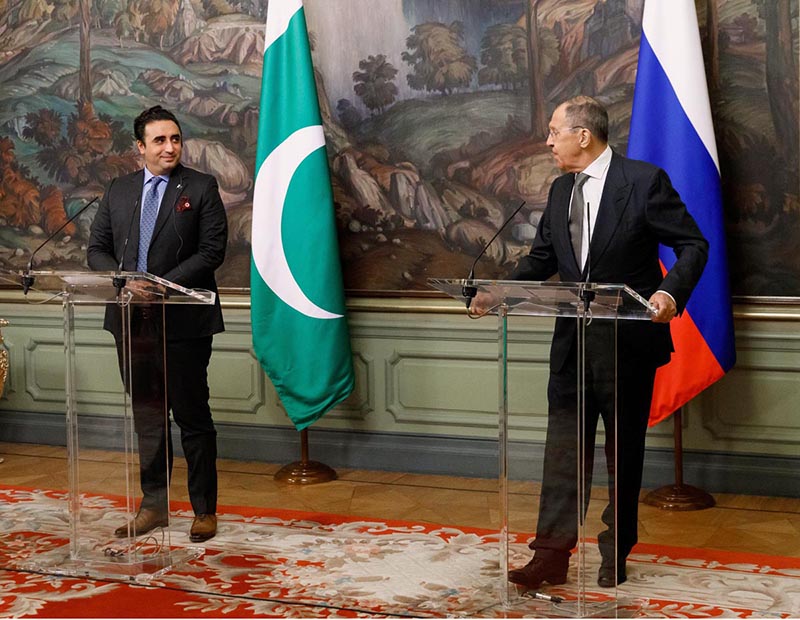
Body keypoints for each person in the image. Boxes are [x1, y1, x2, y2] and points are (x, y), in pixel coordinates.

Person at [472, 96, 708, 588]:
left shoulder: (643, 182)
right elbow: (541, 261)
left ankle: (614, 553)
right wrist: (498, 293)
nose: (548, 140)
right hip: (571, 349)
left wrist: (668, 293)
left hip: (626, 348)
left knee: (623, 454)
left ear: (583, 135)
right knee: (562, 453)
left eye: (554, 131)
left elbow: (693, 245)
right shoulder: (560, 191)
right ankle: (551, 556)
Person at [87, 105, 228, 543]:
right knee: (148, 417)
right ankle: (154, 506)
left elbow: (211, 252)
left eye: (175, 139)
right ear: (140, 147)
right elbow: (97, 249)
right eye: (160, 140)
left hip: (183, 321)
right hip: (131, 321)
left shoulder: (201, 187)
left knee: (192, 417)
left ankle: (204, 510)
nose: (170, 147)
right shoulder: (118, 190)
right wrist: (127, 281)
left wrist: (159, 285)